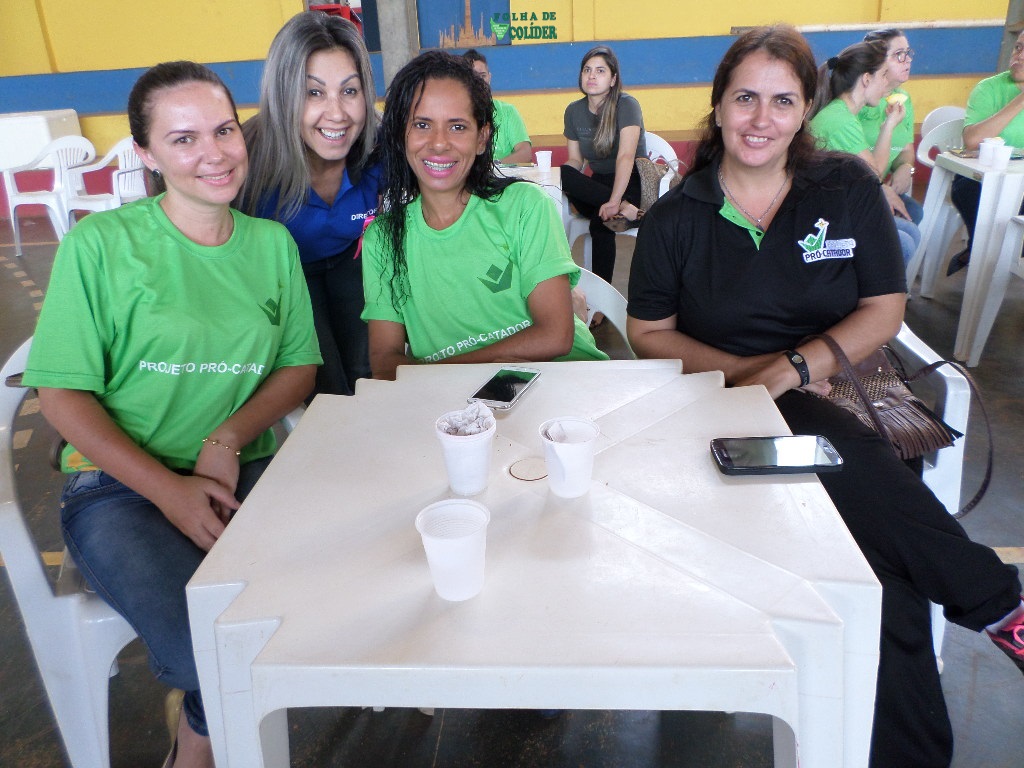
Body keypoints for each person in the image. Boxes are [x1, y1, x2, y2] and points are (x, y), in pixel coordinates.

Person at [626, 25, 1024, 768]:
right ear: (718, 106)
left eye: (782, 101)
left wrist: (793, 369)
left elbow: (884, 310)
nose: (761, 119)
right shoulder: (679, 216)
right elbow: (647, 333)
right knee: (872, 531)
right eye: (745, 98)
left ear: (805, 108)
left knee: (878, 569)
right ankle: (997, 602)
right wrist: (753, 375)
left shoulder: (843, 187)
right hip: (726, 410)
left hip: (852, 393)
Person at [21, 62, 320, 768]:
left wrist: (228, 436)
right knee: (203, 652)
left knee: (320, 612)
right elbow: (62, 396)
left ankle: (198, 727)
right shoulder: (101, 245)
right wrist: (170, 491)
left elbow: (297, 368)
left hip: (243, 474)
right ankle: (197, 747)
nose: (213, 153)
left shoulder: (270, 245)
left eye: (223, 131)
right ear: (147, 155)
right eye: (183, 139)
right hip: (119, 489)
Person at [360, 50, 607, 381]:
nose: (438, 143)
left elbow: (555, 336)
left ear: (481, 138)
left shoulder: (524, 206)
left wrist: (439, 373)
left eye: (457, 127)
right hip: (453, 401)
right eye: (421, 124)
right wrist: (453, 379)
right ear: (399, 135)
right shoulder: (383, 239)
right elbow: (385, 361)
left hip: (560, 380)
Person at [236, 12, 379, 396]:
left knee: (368, 371)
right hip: (286, 275)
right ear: (283, 95)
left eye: (349, 91)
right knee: (323, 382)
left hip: (351, 259)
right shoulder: (245, 161)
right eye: (313, 92)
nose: (337, 113)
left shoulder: (383, 149)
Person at [809, 41, 921, 264]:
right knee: (903, 243)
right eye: (883, 76)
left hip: (840, 207)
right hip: (824, 219)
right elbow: (874, 175)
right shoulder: (841, 121)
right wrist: (889, 127)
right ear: (867, 79)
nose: (887, 84)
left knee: (910, 231)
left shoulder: (843, 113)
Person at [560, 45, 646, 298]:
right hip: (597, 186)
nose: (592, 76)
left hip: (629, 182)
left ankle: (601, 302)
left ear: (613, 79)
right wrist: (564, 177)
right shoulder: (573, 111)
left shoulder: (627, 105)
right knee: (563, 172)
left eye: (600, 71)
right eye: (587, 70)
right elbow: (576, 160)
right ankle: (627, 210)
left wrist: (615, 199)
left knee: (601, 225)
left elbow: (626, 156)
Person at [949, 29, 1024, 275]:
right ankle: (985, 253)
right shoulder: (989, 88)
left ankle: (993, 255)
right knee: (967, 190)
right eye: (1018, 47)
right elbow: (972, 141)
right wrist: (1021, 100)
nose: (1020, 55)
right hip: (982, 180)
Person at [860, 28, 923, 224]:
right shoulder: (858, 99)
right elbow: (849, 162)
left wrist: (906, 167)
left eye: (908, 53)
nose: (908, 60)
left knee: (915, 212)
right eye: (899, 54)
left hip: (880, 186)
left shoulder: (904, 99)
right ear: (876, 62)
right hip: (859, 187)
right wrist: (879, 188)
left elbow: (906, 149)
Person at [462, 48, 532, 164]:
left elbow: (525, 153)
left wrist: (494, 167)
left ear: (489, 77)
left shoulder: (508, 111)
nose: (479, 82)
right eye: (473, 77)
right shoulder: (455, 114)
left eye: (482, 76)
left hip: (501, 173)